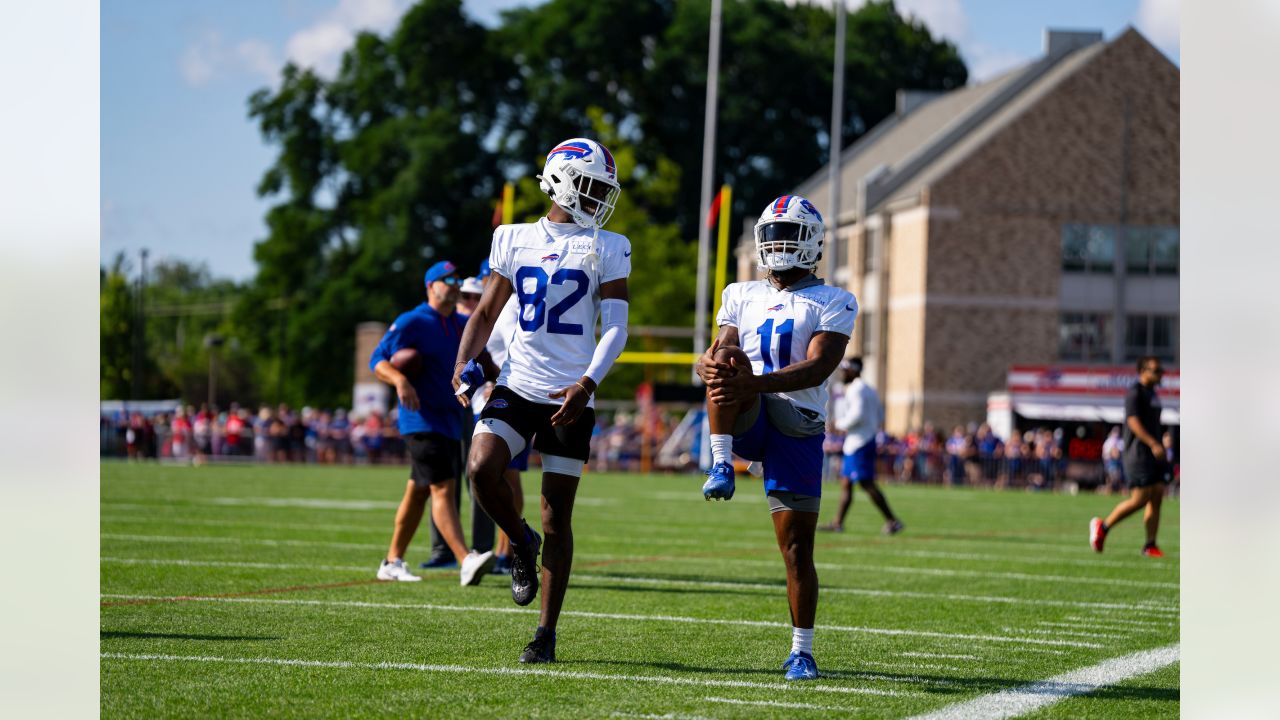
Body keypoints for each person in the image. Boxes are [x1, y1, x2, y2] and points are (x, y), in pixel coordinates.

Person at [453, 137, 629, 664]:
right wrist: (463, 364)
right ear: (559, 180)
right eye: (593, 186)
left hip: (572, 393)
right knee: (481, 469)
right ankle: (519, 541)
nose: (600, 199)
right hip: (518, 382)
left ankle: (545, 634)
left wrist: (588, 385)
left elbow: (616, 329)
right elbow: (484, 313)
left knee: (558, 517)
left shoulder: (610, 244)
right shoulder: (511, 238)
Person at [696, 194, 854, 682]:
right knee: (723, 362)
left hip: (797, 422)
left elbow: (819, 365)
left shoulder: (834, 299)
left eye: (790, 234)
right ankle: (721, 462)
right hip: (749, 412)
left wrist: (755, 382)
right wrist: (708, 361)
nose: (779, 244)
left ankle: (802, 651)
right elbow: (723, 347)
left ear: (812, 244)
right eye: (772, 234)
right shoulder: (740, 293)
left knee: (795, 549)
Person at [370, 259, 499, 585]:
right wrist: (400, 381)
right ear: (430, 285)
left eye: (457, 278)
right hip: (420, 419)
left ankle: (392, 560)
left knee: (418, 492)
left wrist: (501, 381)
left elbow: (483, 357)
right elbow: (377, 361)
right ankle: (464, 559)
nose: (455, 284)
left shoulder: (460, 323)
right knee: (444, 487)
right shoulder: (412, 320)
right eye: (447, 279)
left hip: (449, 419)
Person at [1090, 356, 1171, 557]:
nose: (1160, 374)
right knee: (1140, 499)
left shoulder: (1153, 393)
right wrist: (1153, 443)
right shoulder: (1135, 393)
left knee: (1158, 494)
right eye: (1156, 370)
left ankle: (1150, 544)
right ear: (1143, 371)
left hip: (1154, 453)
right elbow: (1133, 422)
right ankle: (1103, 526)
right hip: (1139, 453)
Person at [821, 357, 902, 535]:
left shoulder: (856, 389)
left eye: (845, 369)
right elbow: (880, 416)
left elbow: (857, 415)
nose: (842, 373)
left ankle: (893, 520)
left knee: (866, 483)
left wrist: (840, 424)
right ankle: (837, 522)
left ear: (854, 370)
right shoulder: (869, 390)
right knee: (846, 483)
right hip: (861, 440)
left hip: (860, 442)